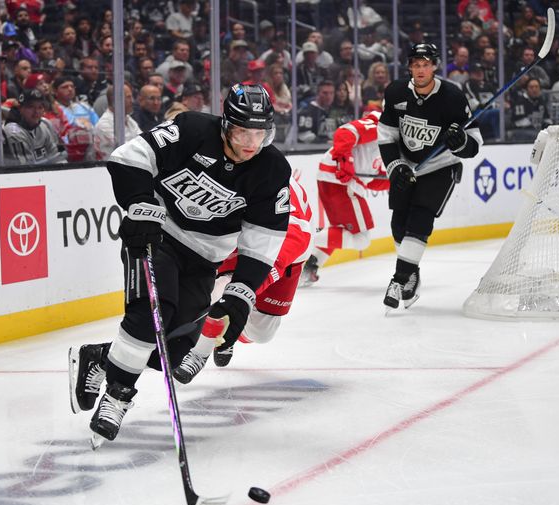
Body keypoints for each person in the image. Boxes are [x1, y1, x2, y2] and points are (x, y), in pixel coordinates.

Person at [68, 84, 291, 443]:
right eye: (241, 131)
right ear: (225, 125)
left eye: (259, 133)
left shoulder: (272, 169)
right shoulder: (191, 130)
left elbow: (263, 238)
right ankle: (117, 396)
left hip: (205, 258)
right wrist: (141, 206)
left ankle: (99, 357)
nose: (251, 143)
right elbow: (129, 156)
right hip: (158, 236)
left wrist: (240, 293)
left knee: (176, 351)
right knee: (151, 311)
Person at [173, 171, 312, 383]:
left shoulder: (281, 208)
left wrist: (244, 292)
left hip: (285, 256)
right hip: (237, 244)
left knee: (262, 333)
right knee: (219, 291)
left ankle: (229, 336)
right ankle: (200, 351)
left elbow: (297, 234)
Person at [377, 43, 483, 310]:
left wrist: (459, 141)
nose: (421, 70)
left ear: (434, 66)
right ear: (410, 67)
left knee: (420, 218)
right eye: (416, 65)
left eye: (425, 65)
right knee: (398, 225)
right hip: (407, 165)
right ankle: (412, 272)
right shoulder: (396, 92)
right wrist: (395, 166)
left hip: (440, 167)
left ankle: (399, 279)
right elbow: (387, 134)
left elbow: (475, 143)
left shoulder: (453, 97)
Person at [302, 111, 390, 284]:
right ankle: (296, 235)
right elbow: (345, 132)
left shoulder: (389, 141)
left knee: (342, 230)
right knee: (361, 239)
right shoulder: (380, 126)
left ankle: (311, 265)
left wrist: (396, 181)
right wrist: (345, 161)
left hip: (335, 180)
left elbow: (371, 180)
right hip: (340, 182)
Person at [4, 88, 66, 165]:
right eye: (31, 107)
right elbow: (25, 167)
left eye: (40, 107)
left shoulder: (45, 124)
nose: (36, 111)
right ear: (20, 109)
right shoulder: (13, 131)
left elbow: (55, 155)